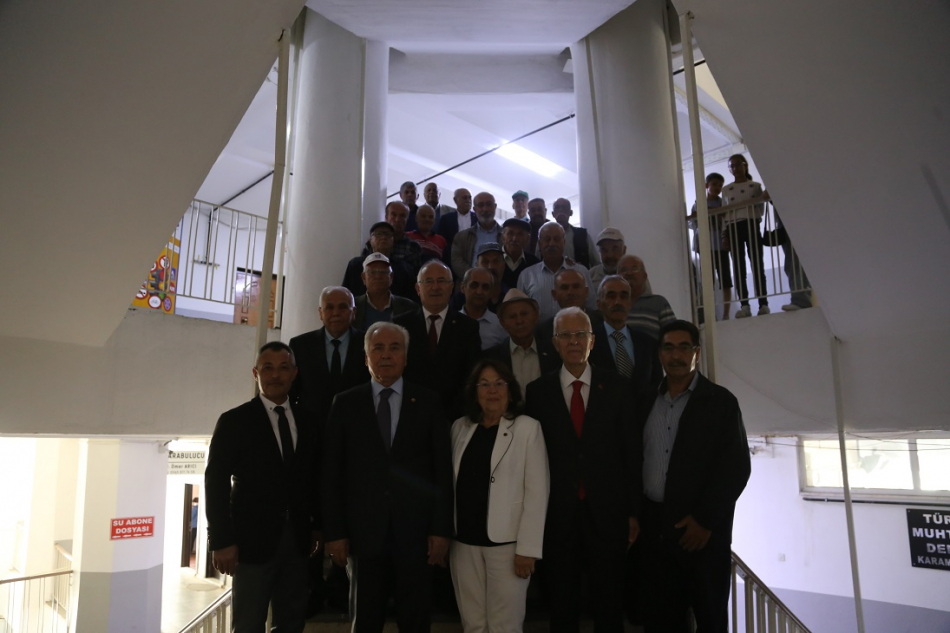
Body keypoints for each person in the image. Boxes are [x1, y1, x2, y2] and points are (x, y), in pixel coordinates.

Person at [323, 322, 454, 633]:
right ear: (366, 357)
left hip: (417, 536)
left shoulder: (428, 402)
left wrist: (440, 530)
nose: (386, 355)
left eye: (394, 348)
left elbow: (442, 471)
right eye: (377, 348)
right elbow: (331, 473)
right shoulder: (345, 403)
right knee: (366, 621)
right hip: (363, 536)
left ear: (406, 357)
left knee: (416, 621)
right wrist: (335, 532)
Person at [525, 307, 638, 633]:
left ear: (592, 341)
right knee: (562, 606)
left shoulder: (617, 387)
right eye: (565, 335)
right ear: (555, 343)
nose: (573, 341)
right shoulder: (537, 392)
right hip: (557, 517)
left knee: (609, 605)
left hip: (608, 514)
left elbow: (631, 454)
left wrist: (633, 512)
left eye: (580, 335)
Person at [636, 320, 751, 633]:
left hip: (700, 536)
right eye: (668, 348)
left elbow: (736, 468)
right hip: (655, 531)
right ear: (660, 354)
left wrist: (705, 520)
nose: (676, 355)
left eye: (684, 347)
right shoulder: (645, 401)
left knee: (709, 618)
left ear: (696, 353)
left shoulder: (720, 402)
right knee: (661, 620)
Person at [206, 342, 321, 633]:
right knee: (248, 624)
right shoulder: (234, 421)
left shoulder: (308, 421)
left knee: (292, 623)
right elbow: (215, 482)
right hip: (250, 544)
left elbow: (314, 479)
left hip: (298, 543)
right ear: (256, 373)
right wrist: (221, 540)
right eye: (267, 368)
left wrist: (317, 527)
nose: (275, 375)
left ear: (294, 373)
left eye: (283, 368)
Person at [450, 359, 550, 633]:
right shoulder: (460, 428)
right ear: (475, 391)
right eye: (484, 384)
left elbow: (537, 492)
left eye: (499, 383)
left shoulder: (528, 428)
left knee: (505, 626)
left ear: (510, 390)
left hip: (508, 547)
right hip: (464, 544)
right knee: (473, 624)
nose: (492, 390)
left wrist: (528, 550)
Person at [288, 286, 370, 615]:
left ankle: (339, 587)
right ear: (320, 312)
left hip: (355, 446)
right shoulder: (300, 345)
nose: (336, 313)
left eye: (343, 307)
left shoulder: (368, 342)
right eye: (330, 307)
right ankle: (311, 588)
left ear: (354, 311)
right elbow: (294, 396)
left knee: (347, 515)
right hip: (312, 445)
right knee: (312, 517)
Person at [395, 261, 481, 419]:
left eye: (441, 281)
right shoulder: (401, 325)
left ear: (451, 287)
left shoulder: (468, 327)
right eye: (428, 281)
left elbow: (472, 375)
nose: (435, 287)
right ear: (418, 288)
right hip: (409, 413)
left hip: (454, 416)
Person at [590, 276, 662, 393]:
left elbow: (657, 385)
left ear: (630, 303)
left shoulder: (648, 343)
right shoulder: (589, 343)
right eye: (611, 296)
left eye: (624, 296)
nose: (618, 302)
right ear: (599, 304)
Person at [721, 154, 769, 318]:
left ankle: (763, 303)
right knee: (738, 267)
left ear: (745, 165)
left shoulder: (755, 186)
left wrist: (751, 215)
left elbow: (760, 209)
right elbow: (724, 213)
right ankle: (745, 305)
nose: (735, 168)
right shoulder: (726, 190)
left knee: (757, 264)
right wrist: (725, 235)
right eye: (732, 166)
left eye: (738, 164)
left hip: (751, 224)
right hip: (733, 227)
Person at [517, 222, 595, 322]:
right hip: (539, 331)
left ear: (564, 242)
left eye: (557, 239)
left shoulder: (581, 271)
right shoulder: (526, 275)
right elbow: (521, 311)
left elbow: (592, 306)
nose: (552, 244)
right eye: (547, 239)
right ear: (540, 244)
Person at [484, 289, 560, 391]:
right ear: (502, 323)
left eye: (524, 314)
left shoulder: (555, 352)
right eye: (512, 316)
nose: (519, 321)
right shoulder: (492, 358)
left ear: (536, 316)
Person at [687, 173, 733, 320]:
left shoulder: (723, 203)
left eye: (720, 185)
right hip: (705, 248)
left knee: (726, 281)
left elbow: (728, 220)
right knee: (708, 282)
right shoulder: (699, 203)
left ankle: (726, 314)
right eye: (714, 184)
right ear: (707, 186)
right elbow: (692, 223)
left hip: (721, 246)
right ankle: (710, 315)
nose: (717, 188)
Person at [342, 222, 416, 300]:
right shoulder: (355, 265)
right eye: (378, 234)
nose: (383, 237)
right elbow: (345, 294)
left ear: (393, 241)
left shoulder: (403, 268)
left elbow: (411, 298)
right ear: (370, 240)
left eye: (387, 234)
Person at [352, 253, 419, 331]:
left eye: (383, 272)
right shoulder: (352, 307)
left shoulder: (409, 307)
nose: (378, 276)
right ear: (363, 278)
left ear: (391, 277)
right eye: (372, 272)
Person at [763, 209, 812, 311]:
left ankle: (801, 301)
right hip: (784, 219)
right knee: (791, 263)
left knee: (794, 262)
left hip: (791, 216)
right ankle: (800, 300)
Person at [617, 254, 676, 340]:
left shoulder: (659, 303)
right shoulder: (613, 304)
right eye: (624, 270)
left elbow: (674, 336)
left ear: (644, 276)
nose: (629, 273)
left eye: (634, 269)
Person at [451, 192, 501, 281]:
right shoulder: (461, 237)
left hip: (499, 284)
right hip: (471, 284)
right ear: (474, 209)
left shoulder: (506, 235)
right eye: (481, 205)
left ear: (495, 206)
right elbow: (457, 262)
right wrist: (475, 277)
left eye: (489, 204)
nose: (485, 209)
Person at [460, 267, 506, 350]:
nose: (479, 292)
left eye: (485, 287)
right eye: (474, 285)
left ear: (491, 292)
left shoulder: (500, 326)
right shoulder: (450, 322)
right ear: (463, 288)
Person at [545, 198, 600, 269]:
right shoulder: (544, 237)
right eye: (557, 207)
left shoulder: (583, 235)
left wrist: (582, 270)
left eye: (564, 207)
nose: (561, 210)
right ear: (553, 214)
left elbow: (596, 264)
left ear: (571, 212)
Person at [438, 188, 475, 268]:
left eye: (469, 198)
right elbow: (442, 242)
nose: (468, 200)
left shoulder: (478, 219)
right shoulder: (446, 219)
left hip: (474, 261)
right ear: (455, 200)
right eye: (464, 198)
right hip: (451, 261)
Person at [501, 217, 539, 290]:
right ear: (503, 237)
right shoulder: (493, 260)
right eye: (510, 233)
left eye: (520, 234)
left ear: (527, 239)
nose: (514, 239)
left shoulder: (534, 263)